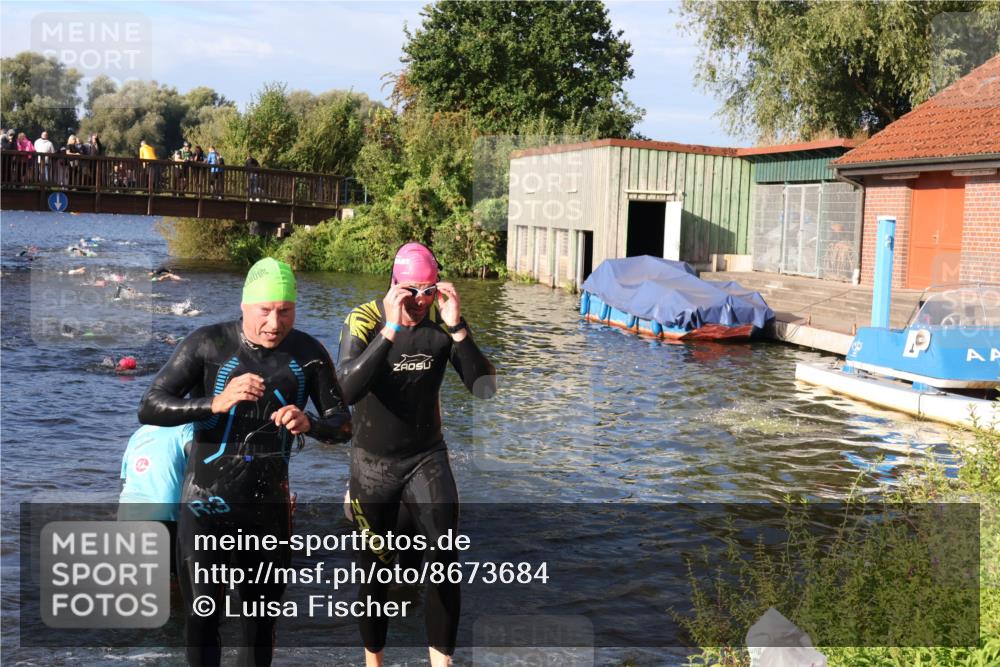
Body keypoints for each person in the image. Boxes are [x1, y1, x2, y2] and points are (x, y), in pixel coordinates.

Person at [137, 257, 352, 667]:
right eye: (264, 311)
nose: (275, 323)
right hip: (204, 506)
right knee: (203, 620)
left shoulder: (308, 353)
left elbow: (344, 425)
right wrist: (213, 403)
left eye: (285, 311)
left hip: (268, 511)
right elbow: (149, 406)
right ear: (244, 305)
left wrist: (310, 424)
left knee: (260, 626)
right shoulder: (207, 344)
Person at [337, 242, 496, 667]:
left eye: (429, 290)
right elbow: (347, 389)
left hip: (427, 458)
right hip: (373, 466)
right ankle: (374, 662)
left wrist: (459, 327)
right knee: (375, 573)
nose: (421, 301)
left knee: (445, 562)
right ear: (393, 285)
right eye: (412, 291)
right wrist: (390, 330)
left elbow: (484, 388)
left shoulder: (442, 325)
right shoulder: (364, 319)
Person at [118, 423, 193, 574]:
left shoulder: (137, 433)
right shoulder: (185, 427)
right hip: (162, 511)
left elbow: (123, 481)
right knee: (171, 577)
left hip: (126, 512)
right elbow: (198, 461)